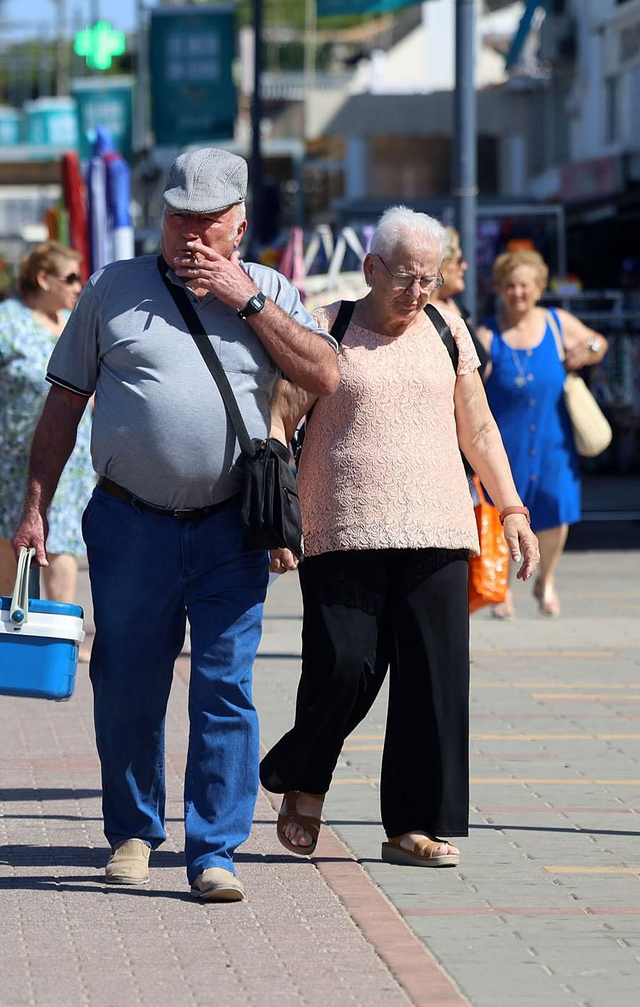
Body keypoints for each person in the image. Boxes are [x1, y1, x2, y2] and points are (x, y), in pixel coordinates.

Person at [12, 148, 341, 902]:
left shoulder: (272, 289)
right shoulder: (111, 289)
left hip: (234, 526)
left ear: (239, 225)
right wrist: (33, 508)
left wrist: (247, 300)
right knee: (127, 678)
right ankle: (132, 830)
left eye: (206, 222)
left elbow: (326, 373)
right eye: (177, 217)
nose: (189, 234)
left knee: (225, 685)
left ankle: (215, 849)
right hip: (131, 523)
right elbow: (62, 407)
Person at [257, 206, 541, 870]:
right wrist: (275, 509)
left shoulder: (447, 328)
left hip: (439, 524)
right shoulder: (328, 327)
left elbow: (480, 430)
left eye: (429, 278)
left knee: (432, 678)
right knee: (347, 664)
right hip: (342, 525)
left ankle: (411, 824)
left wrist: (513, 509)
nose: (417, 292)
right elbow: (281, 413)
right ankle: (304, 775)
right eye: (405, 278)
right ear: (371, 269)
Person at [0, 242, 93, 605]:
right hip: (12, 460)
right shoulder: (5, 320)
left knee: (64, 539)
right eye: (70, 278)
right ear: (43, 279)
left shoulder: (74, 322)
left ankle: (60, 636)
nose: (77, 286)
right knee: (6, 539)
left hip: (70, 455)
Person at [476, 248, 608, 618]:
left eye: (525, 286)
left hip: (553, 441)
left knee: (555, 511)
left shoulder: (556, 322)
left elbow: (599, 342)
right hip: (506, 443)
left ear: (537, 288)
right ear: (500, 289)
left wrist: (589, 349)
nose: (518, 293)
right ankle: (502, 589)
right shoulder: (487, 334)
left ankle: (544, 579)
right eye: (510, 286)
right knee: (504, 513)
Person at [432, 227, 489, 376]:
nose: (464, 266)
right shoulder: (422, 314)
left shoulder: (457, 306)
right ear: (441, 266)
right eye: (459, 260)